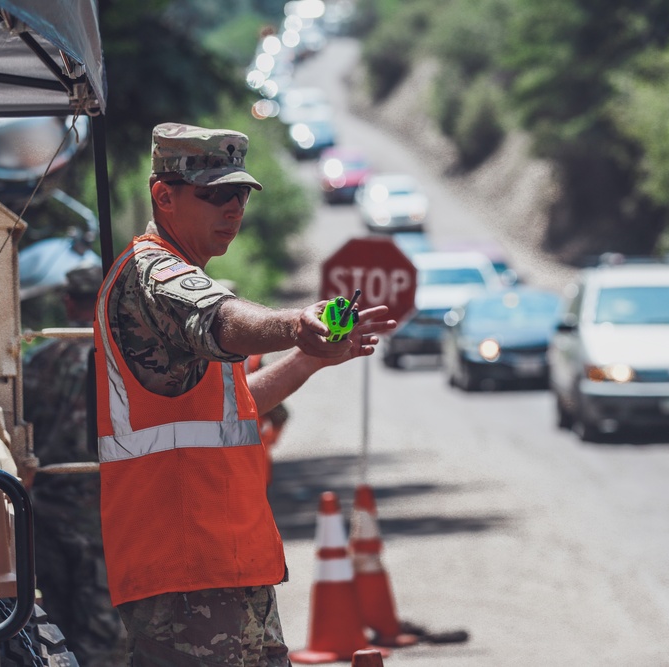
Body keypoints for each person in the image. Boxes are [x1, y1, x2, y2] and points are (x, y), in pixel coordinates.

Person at [93, 122, 396, 667]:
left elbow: (234, 409)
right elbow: (222, 318)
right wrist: (296, 326)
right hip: (186, 574)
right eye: (215, 195)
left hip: (226, 567)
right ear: (164, 196)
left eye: (240, 194)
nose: (233, 209)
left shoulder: (173, 274)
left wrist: (309, 357)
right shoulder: (153, 272)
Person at [22, 262, 127, 667]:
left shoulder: (38, 359)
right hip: (102, 507)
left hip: (45, 506)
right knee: (103, 623)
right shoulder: (122, 358)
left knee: (56, 623)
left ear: (68, 302)